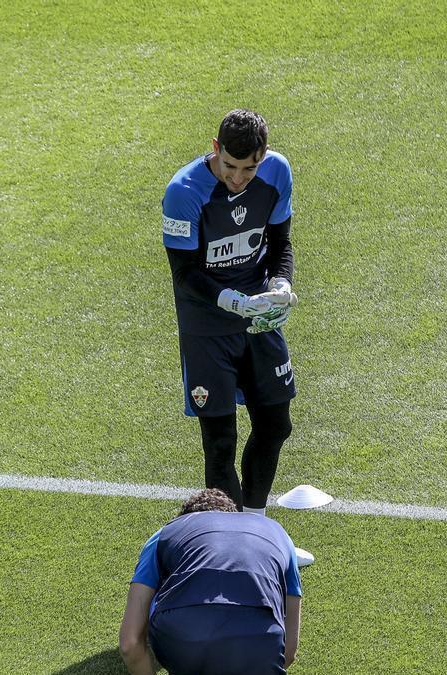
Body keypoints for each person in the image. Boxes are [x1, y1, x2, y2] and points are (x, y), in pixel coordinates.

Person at [160, 109, 298, 519]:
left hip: (257, 319)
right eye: (230, 167)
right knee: (220, 441)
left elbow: (280, 244)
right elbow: (185, 275)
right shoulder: (183, 191)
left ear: (265, 156)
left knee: (276, 423)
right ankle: (230, 540)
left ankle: (255, 531)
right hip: (207, 326)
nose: (238, 178)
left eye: (249, 169)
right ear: (215, 149)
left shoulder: (277, 173)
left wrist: (281, 284)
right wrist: (234, 301)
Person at [118, 488, 303, 675]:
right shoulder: (280, 535)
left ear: (186, 518)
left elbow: (130, 643)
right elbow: (289, 650)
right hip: (262, 642)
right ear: (234, 514)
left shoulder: (164, 534)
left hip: (180, 637)